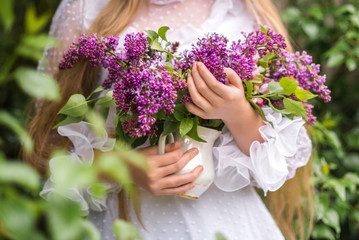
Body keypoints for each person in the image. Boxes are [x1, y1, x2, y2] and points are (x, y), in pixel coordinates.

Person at [25, 0, 314, 239]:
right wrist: (122, 167)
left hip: (228, 223)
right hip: (127, 223)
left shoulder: (244, 10)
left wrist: (237, 113)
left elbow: (284, 160)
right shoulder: (86, 7)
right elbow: (43, 145)